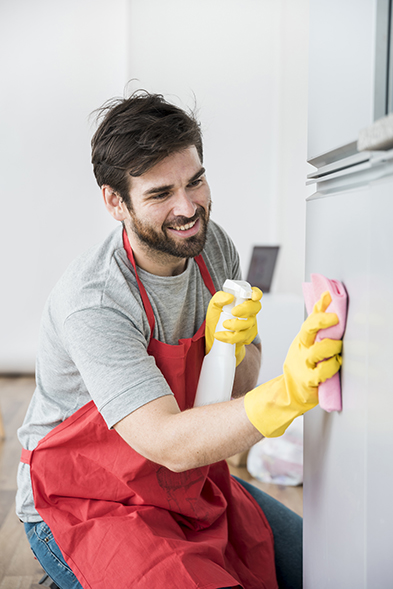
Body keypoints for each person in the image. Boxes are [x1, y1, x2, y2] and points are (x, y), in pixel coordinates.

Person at [17, 91, 342, 589]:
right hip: (89, 503)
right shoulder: (96, 300)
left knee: (328, 567)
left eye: (196, 182)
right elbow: (167, 442)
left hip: (186, 486)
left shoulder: (212, 246)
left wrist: (232, 348)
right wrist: (288, 395)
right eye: (160, 193)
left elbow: (231, 396)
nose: (188, 209)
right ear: (115, 202)